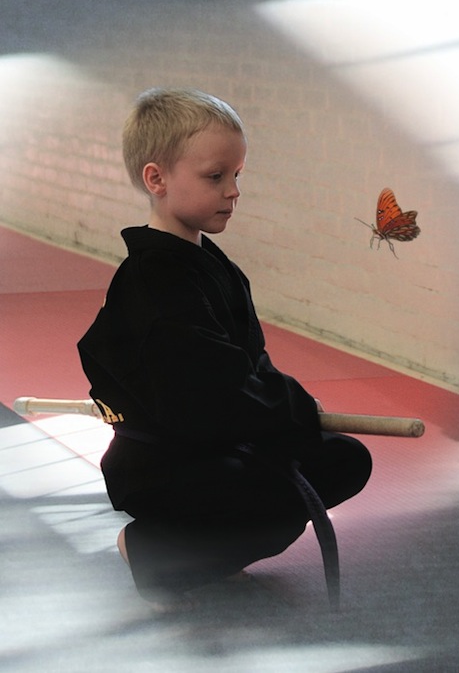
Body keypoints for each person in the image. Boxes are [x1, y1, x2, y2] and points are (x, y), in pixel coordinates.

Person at [78, 87, 372, 612]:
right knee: (284, 497)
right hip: (166, 463)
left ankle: (201, 543)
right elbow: (211, 392)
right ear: (157, 179)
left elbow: (248, 363)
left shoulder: (208, 263)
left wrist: (296, 410)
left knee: (344, 460)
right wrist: (293, 414)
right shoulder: (156, 284)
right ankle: (153, 549)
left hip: (217, 440)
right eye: (216, 177)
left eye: (237, 176)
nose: (233, 191)